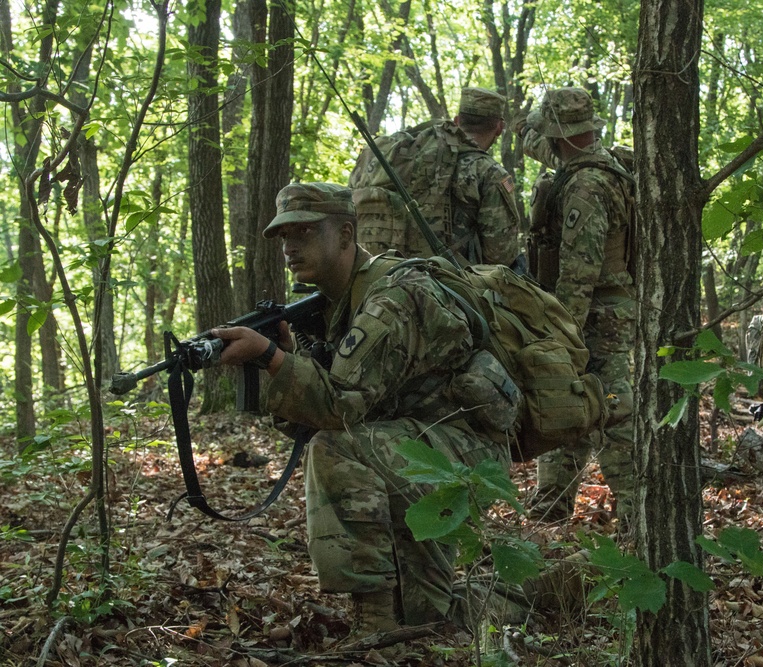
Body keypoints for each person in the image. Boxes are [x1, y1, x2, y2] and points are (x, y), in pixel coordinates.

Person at [210, 183, 516, 640]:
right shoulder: (341, 301)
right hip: (425, 448)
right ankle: (552, 588)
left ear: (347, 234)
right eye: (283, 238)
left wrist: (273, 358)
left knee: (336, 449)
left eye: (306, 233)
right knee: (429, 618)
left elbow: (340, 407)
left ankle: (373, 622)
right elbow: (337, 399)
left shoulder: (389, 299)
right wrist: (292, 359)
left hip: (467, 455)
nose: (290, 248)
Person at [519, 87, 636, 525]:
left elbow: (579, 272)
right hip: (595, 312)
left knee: (611, 408)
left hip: (593, 316)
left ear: (560, 137)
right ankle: (552, 502)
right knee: (565, 401)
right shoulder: (592, 166)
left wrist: (560, 332)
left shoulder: (586, 185)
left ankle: (635, 508)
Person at [349, 86, 522, 266]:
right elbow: (500, 255)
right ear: (499, 128)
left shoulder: (394, 158)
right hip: (442, 286)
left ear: (456, 121)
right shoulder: (488, 172)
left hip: (373, 275)